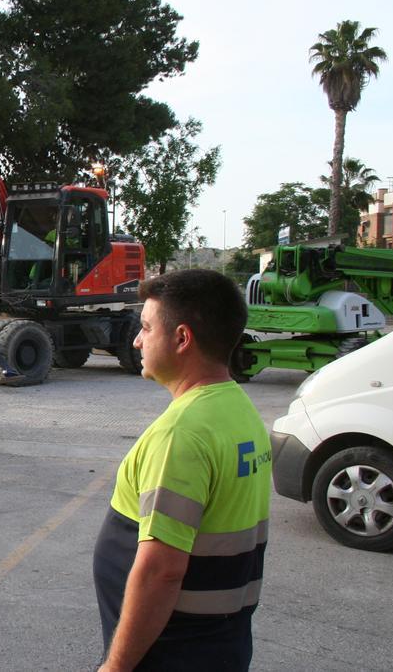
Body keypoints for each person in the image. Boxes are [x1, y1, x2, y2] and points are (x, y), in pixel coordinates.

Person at [93, 269, 271, 672]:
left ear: (182, 338)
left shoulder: (181, 434)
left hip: (171, 650)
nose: (137, 340)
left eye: (145, 328)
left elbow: (162, 572)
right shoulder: (239, 411)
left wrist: (116, 667)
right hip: (220, 642)